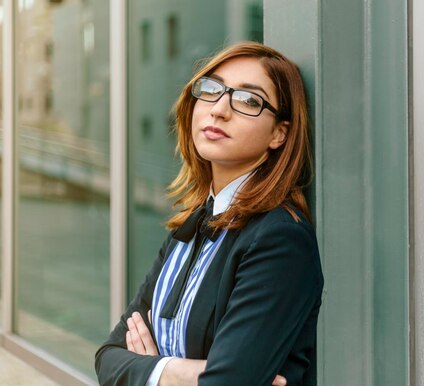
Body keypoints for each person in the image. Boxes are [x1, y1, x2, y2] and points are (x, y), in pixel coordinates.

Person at [95, 41, 324, 386]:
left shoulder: (280, 238)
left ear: (279, 133)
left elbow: (227, 381)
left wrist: (151, 369)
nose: (218, 109)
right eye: (211, 89)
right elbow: (108, 357)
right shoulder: (191, 227)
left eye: (249, 100)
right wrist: (179, 372)